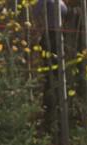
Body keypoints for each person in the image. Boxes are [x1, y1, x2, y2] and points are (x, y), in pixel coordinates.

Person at [33, 0, 69, 134]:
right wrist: (41, 26)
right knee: (50, 74)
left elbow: (66, 13)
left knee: (59, 72)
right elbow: (35, 12)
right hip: (50, 36)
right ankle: (49, 104)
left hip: (60, 36)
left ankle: (59, 102)